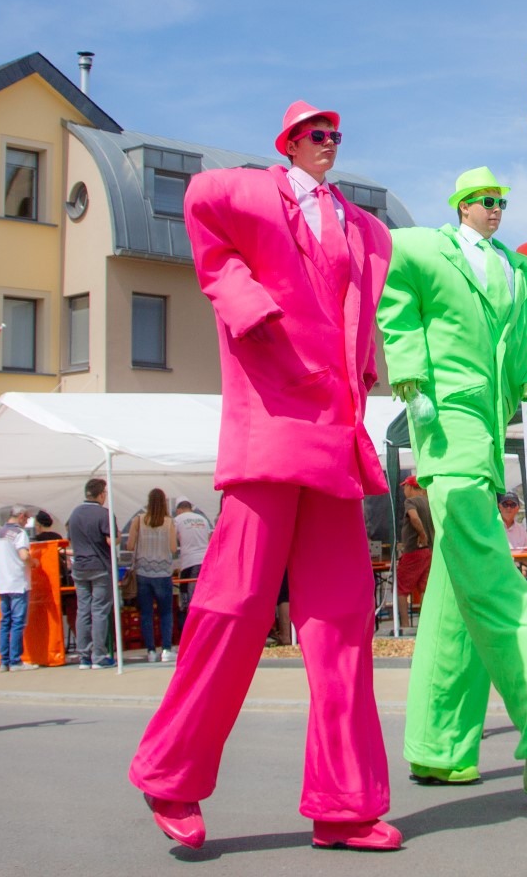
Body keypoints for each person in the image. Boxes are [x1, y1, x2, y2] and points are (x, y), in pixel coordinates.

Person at [128, 100, 400, 853]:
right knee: (234, 601)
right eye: (317, 135)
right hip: (273, 422)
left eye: (337, 136)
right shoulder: (242, 192)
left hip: (335, 437)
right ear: (287, 143)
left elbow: (362, 312)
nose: (329, 145)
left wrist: (369, 365)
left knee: (343, 621)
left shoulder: (366, 229)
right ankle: (169, 772)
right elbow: (199, 214)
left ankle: (345, 804)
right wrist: (248, 307)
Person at [377, 165, 527, 804]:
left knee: (453, 598)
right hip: (446, 432)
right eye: (485, 201)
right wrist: (409, 374)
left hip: (489, 436)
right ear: (462, 205)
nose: (495, 209)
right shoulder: (424, 249)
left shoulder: (517, 271)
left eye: (501, 200)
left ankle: (439, 750)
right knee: (499, 587)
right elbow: (396, 301)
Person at [67, 478, 116, 671]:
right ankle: (98, 655)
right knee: (99, 611)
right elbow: (112, 541)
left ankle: (84, 656)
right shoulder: (104, 514)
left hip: (79, 567)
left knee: (83, 611)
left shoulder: (75, 514)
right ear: (102, 493)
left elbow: (71, 540)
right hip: (100, 566)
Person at [127, 488, 178, 663]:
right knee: (165, 613)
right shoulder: (169, 522)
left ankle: (150, 650)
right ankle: (166, 649)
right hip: (163, 572)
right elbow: (173, 548)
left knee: (146, 614)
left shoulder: (139, 520)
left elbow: (129, 545)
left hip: (143, 571)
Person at [0, 505, 38, 672]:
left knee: (5, 621)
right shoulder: (20, 533)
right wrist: (34, 563)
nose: (26, 522)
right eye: (26, 519)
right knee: (17, 622)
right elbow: (24, 555)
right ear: (21, 516)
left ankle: (4, 661)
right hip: (17, 581)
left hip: (1, 581)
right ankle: (15, 661)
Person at [171, 498, 212, 633]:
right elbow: (209, 539)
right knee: (204, 597)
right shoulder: (203, 519)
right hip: (205, 561)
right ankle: (205, 628)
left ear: (178, 510)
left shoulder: (177, 520)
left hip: (189, 562)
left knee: (186, 599)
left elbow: (172, 543)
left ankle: (189, 631)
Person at [395, 475, 434, 599]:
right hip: (429, 552)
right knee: (424, 588)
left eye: (405, 487)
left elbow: (414, 517)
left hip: (413, 551)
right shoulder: (430, 502)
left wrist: (422, 535)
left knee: (401, 590)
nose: (404, 490)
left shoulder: (410, 502)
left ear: (410, 487)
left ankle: (404, 619)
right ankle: (425, 618)